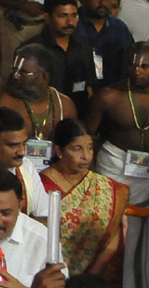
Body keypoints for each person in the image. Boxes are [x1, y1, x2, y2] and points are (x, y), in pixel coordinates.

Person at [82, 41, 149, 288]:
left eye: (144, 65)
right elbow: (88, 138)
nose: (137, 70)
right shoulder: (109, 96)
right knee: (107, 233)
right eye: (132, 64)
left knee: (141, 240)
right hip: (115, 168)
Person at [39, 118, 127, 279]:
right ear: (59, 151)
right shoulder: (42, 185)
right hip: (51, 275)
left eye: (90, 148)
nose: (86, 156)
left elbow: (114, 234)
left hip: (94, 277)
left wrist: (91, 275)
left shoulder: (104, 186)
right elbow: (38, 236)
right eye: (77, 149)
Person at [0, 44, 76, 172]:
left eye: (23, 72)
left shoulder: (64, 105)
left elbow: (74, 146)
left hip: (52, 174)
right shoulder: (1, 103)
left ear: (44, 77)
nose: (15, 76)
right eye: (14, 70)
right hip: (9, 174)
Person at [22, 0, 96, 112]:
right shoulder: (31, 50)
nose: (70, 22)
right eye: (62, 16)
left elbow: (89, 86)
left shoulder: (83, 45)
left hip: (78, 112)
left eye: (74, 15)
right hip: (45, 113)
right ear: (47, 17)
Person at [77, 0, 133, 90]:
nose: (102, 3)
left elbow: (128, 61)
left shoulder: (119, 28)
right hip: (77, 91)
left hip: (113, 92)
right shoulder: (72, 24)